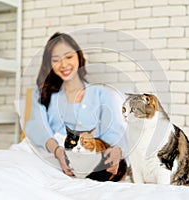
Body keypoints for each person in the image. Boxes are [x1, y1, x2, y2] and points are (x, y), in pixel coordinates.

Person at [25, 32, 126, 177]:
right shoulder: (43, 92)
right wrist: (58, 152)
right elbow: (37, 127)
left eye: (69, 56)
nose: (64, 64)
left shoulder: (101, 94)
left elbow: (113, 132)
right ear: (50, 64)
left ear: (79, 56)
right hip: (50, 157)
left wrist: (114, 152)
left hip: (89, 161)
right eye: (56, 60)